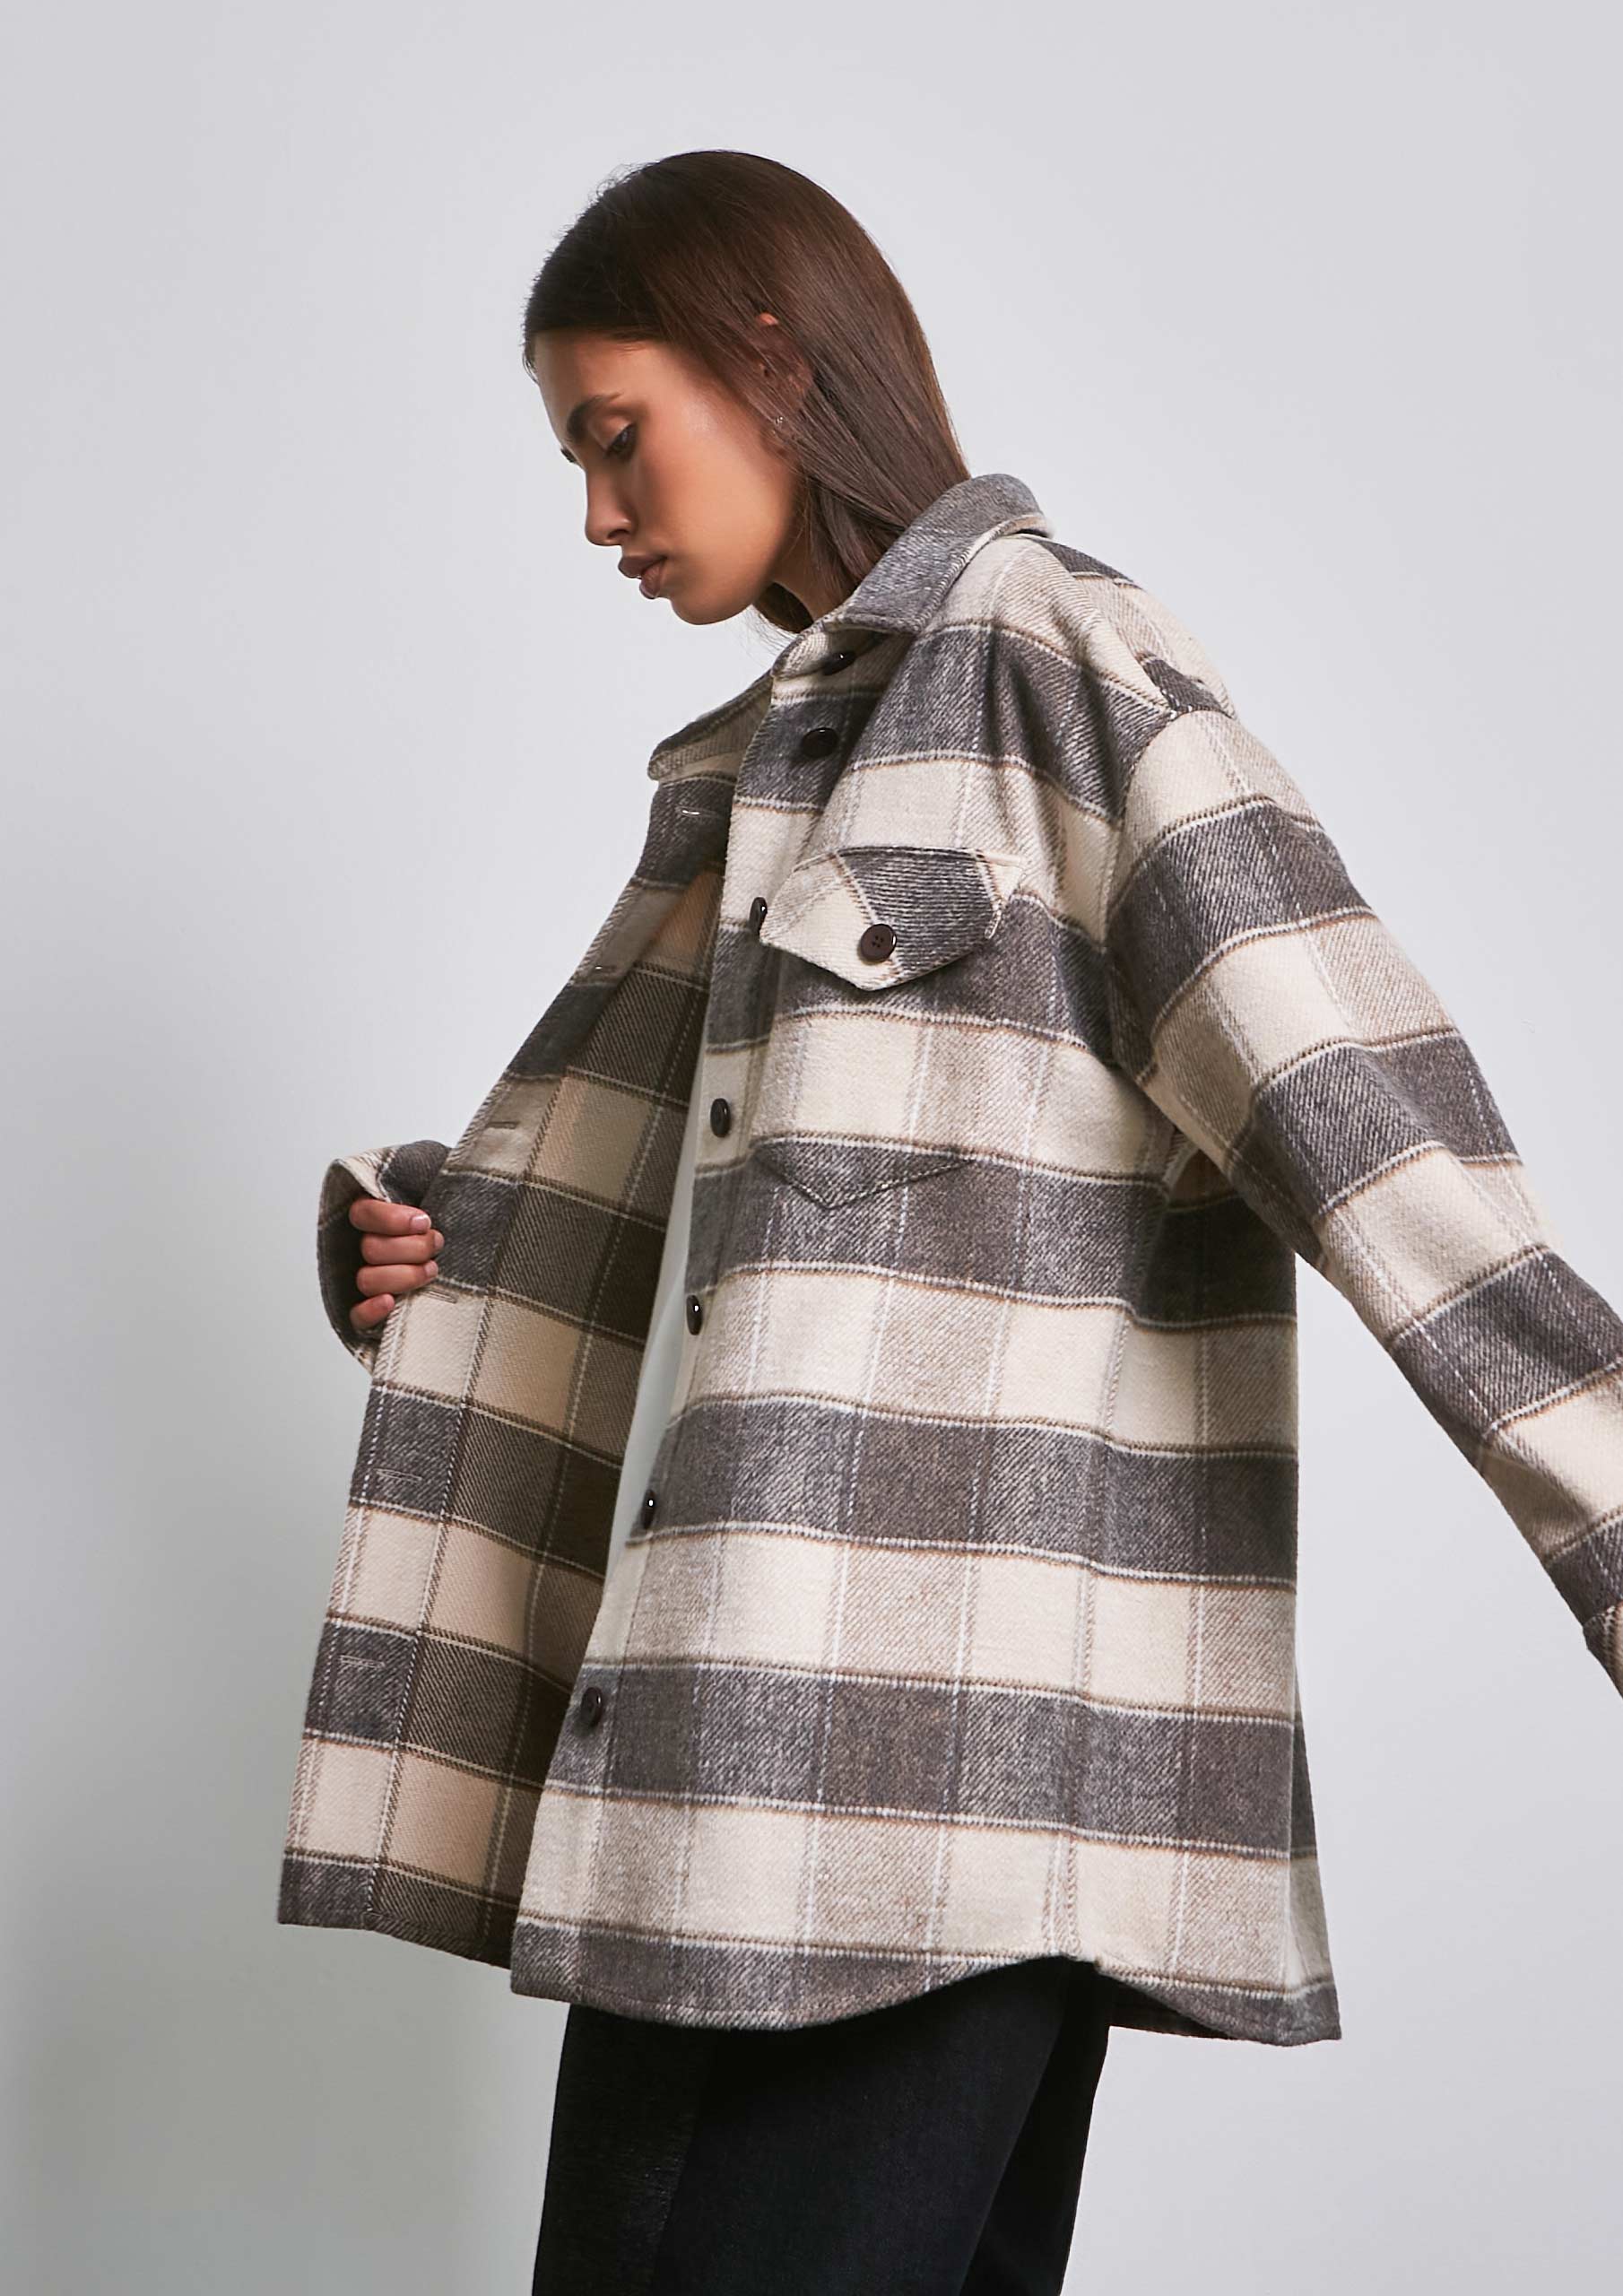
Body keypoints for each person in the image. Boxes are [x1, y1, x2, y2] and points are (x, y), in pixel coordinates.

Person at [292, 148, 1623, 2296]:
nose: (598, 515)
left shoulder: (1051, 663)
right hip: (761, 1771)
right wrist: (447, 1249)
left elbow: (1362, 1115)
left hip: (909, 1780)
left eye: (616, 437)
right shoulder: (774, 760)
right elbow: (780, 1206)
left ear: (770, 358)